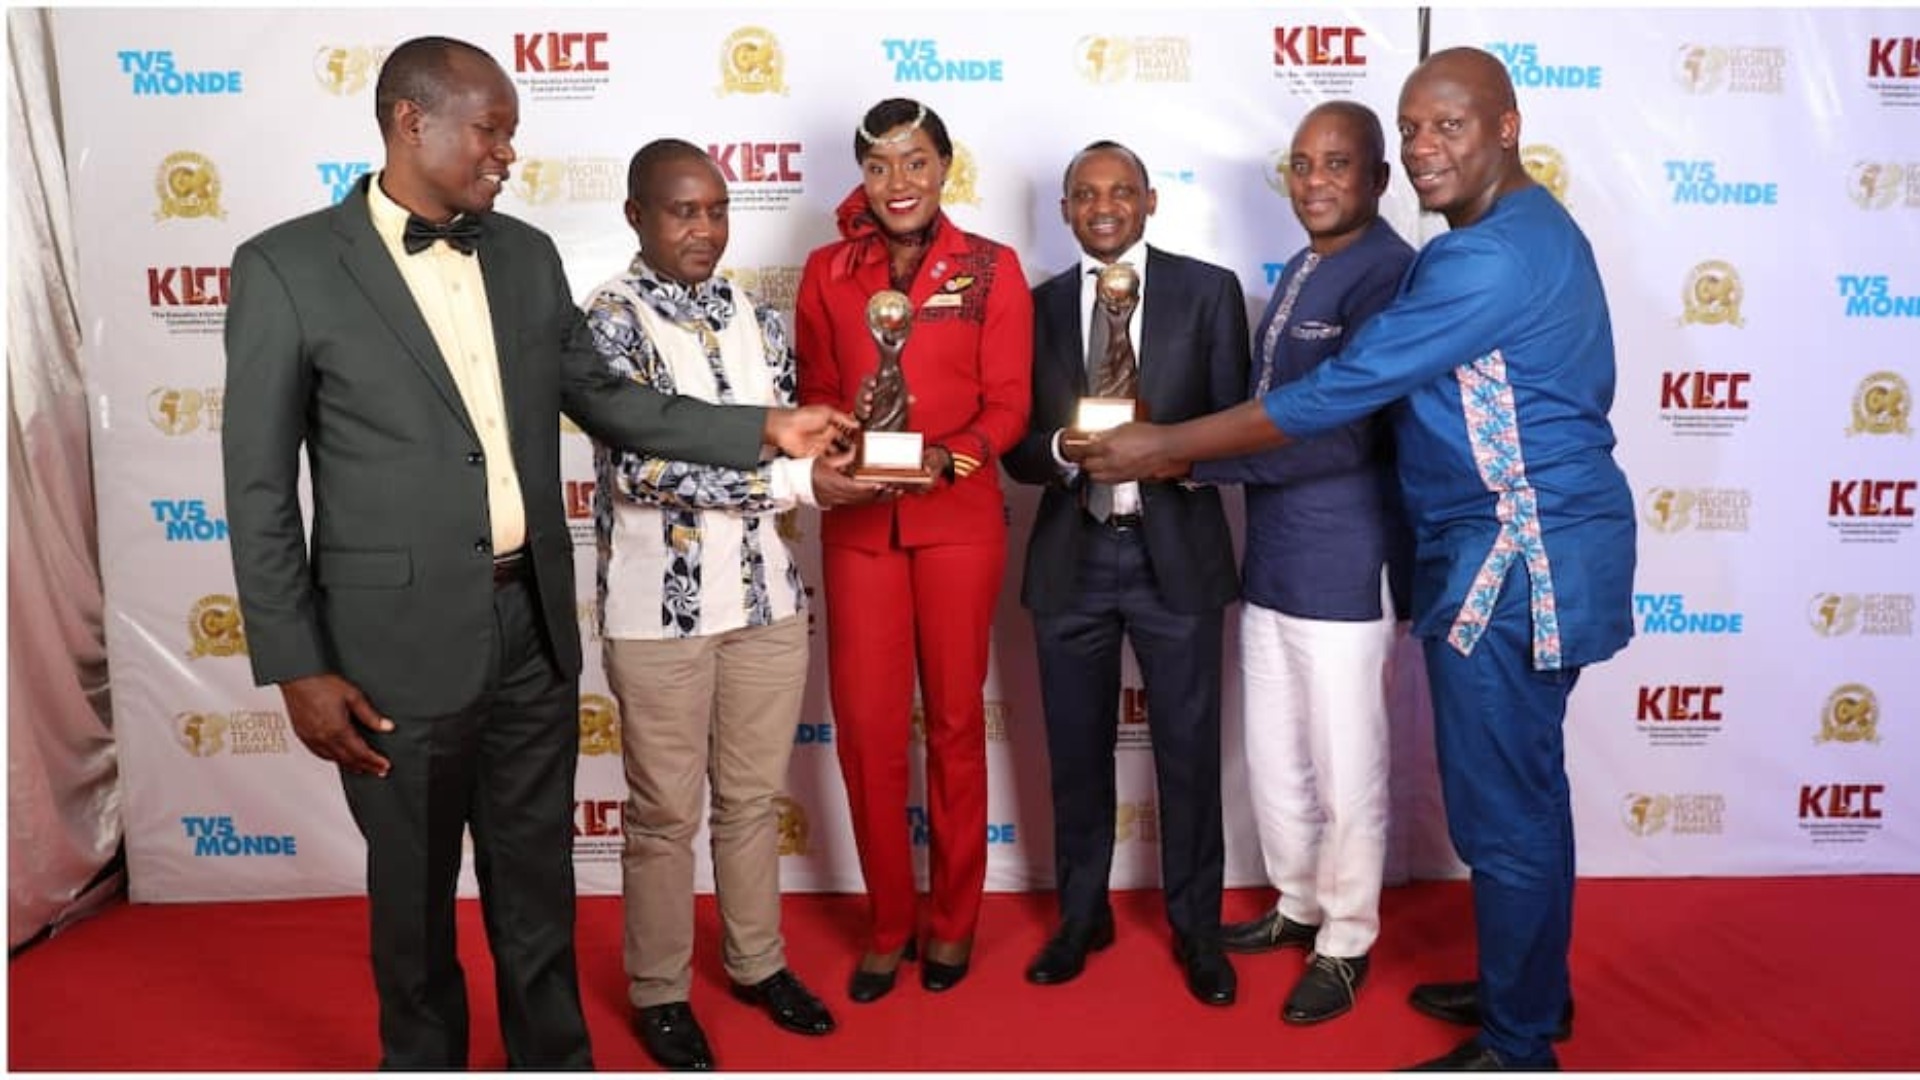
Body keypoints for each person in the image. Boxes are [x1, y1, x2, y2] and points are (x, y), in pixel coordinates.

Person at [220, 37, 848, 1070]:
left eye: (511, 132)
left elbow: (606, 398)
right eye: (491, 130)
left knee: (537, 887)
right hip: (391, 645)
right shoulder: (285, 267)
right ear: (411, 121)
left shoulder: (523, 255)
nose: (507, 153)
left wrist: (763, 428)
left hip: (531, 631)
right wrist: (296, 664)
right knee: (414, 901)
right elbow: (257, 492)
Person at [1080, 47, 1635, 1070]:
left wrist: (1166, 448)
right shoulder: (1524, 229)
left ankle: (1517, 1046)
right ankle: (1531, 993)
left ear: (1508, 127)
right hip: (1536, 545)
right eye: (1412, 127)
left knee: (1502, 816)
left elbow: (1341, 394)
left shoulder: (1481, 259)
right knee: (1532, 793)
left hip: (1515, 557)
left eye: (1449, 126)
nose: (1424, 148)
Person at [584, 139, 878, 1071]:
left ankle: (758, 963)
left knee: (751, 803)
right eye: (683, 211)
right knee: (663, 816)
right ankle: (661, 991)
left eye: (716, 210)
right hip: (658, 616)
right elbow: (640, 470)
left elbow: (788, 442)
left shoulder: (756, 316)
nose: (704, 228)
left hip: (765, 604)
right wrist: (793, 484)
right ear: (637, 216)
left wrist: (840, 452)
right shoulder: (609, 321)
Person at [793, 96, 1033, 1003]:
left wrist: (948, 458)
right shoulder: (827, 269)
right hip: (860, 525)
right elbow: (817, 383)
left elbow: (1009, 403)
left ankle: (955, 920)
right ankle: (889, 922)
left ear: (945, 166)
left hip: (957, 520)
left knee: (958, 723)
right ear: (861, 173)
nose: (898, 182)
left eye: (916, 162)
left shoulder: (992, 267)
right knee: (866, 732)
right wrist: (839, 437)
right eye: (879, 165)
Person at [1002, 141, 1249, 1007]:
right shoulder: (1033, 308)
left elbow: (1239, 427)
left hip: (1174, 551)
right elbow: (1015, 447)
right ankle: (1081, 916)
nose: (1102, 206)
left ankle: (1197, 927)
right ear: (1065, 209)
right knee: (1075, 753)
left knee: (1189, 753)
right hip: (1072, 554)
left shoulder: (1208, 291)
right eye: (1084, 194)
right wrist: (1059, 448)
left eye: (1119, 191)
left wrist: (1169, 454)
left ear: (1149, 201)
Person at [1193, 102, 1415, 1026]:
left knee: (1346, 765)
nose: (1315, 181)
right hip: (1274, 561)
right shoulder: (1304, 266)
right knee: (1275, 757)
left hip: (1345, 562)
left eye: (1337, 164)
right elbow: (1268, 409)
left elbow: (1343, 434)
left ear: (1378, 179)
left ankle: (1348, 937)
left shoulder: (1389, 273)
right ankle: (1298, 903)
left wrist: (1186, 458)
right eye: (1301, 164)